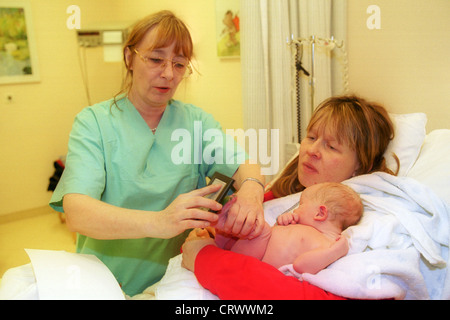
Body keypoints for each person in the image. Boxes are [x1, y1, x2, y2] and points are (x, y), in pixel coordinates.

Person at [49, 10, 265, 296]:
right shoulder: (94, 123)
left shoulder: (195, 123)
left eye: (179, 64)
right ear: (129, 57)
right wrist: (160, 222)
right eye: (155, 59)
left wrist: (251, 192)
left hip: (173, 281)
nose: (168, 74)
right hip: (105, 280)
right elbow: (77, 212)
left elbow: (243, 165)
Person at [181, 95, 399, 300]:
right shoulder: (278, 195)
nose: (312, 150)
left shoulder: (362, 224)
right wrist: (216, 231)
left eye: (331, 146)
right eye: (311, 137)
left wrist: (205, 258)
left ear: (360, 166)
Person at [211, 182, 363, 274]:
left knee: (258, 227)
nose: (296, 210)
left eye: (301, 205)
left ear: (320, 213)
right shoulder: (304, 227)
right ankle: (221, 229)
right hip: (253, 248)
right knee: (249, 231)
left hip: (257, 261)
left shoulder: (328, 243)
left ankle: (225, 219)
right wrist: (281, 224)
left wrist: (334, 252)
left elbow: (301, 265)